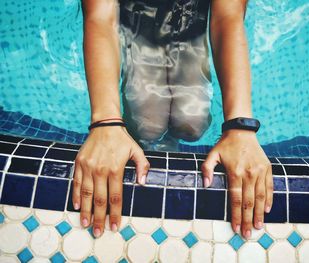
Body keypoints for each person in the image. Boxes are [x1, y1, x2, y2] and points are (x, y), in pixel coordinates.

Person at [72, 0, 274, 240]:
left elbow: (228, 16)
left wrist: (239, 126)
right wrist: (106, 122)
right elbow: (101, 16)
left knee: (192, 123)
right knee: (147, 124)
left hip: (191, 25)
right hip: (136, 23)